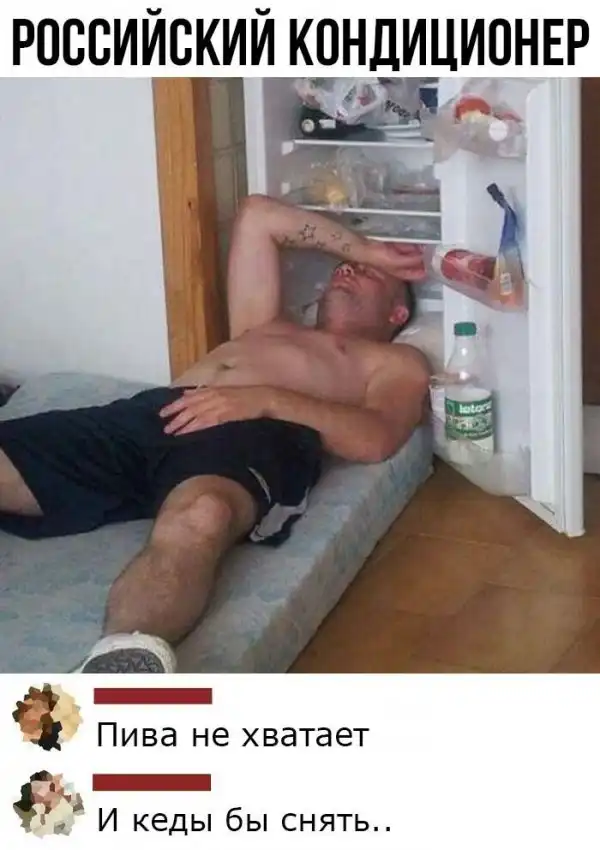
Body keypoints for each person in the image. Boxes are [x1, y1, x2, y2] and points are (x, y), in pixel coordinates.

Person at [0, 195, 431, 674]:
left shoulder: (395, 361)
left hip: (251, 437)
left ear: (397, 314)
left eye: (369, 274)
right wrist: (368, 251)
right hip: (152, 415)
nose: (347, 269)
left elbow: (377, 438)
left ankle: (119, 665)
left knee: (202, 515)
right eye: (346, 265)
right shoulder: (264, 323)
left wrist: (265, 400)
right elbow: (258, 216)